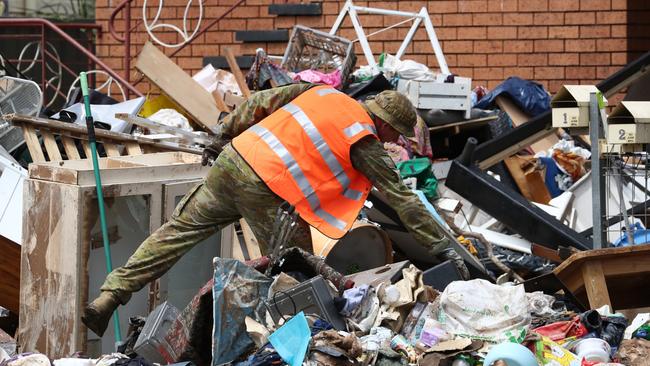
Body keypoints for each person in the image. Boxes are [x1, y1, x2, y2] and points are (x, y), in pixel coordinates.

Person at [82, 84, 469, 336]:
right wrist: (444, 248)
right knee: (298, 275)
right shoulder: (364, 140)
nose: (393, 141)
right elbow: (403, 199)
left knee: (173, 236)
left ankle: (109, 296)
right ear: (385, 125)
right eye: (395, 134)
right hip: (267, 189)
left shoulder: (323, 94)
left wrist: (224, 132)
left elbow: (260, 101)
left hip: (234, 160)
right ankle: (294, 349)